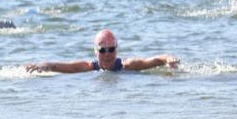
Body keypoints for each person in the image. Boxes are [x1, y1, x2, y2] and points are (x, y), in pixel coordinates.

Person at [25, 29, 179, 73]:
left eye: (111, 49)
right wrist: (44, 65)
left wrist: (168, 59)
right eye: (102, 50)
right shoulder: (88, 67)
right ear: (95, 51)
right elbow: (63, 66)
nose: (107, 54)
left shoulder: (128, 66)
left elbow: (157, 59)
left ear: (116, 50)